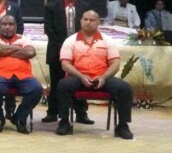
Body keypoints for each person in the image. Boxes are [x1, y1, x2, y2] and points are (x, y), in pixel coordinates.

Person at [55, 10, 134, 139]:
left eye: (92, 20)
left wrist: (103, 77)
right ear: (80, 21)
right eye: (85, 19)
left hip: (102, 78)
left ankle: (123, 126)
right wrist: (81, 76)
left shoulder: (107, 40)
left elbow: (115, 63)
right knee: (63, 85)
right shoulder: (71, 40)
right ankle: (64, 122)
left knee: (124, 88)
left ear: (98, 22)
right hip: (78, 77)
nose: (88, 22)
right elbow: (65, 64)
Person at [42, 0, 94, 125]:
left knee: (80, 81)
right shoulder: (51, 7)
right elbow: (49, 29)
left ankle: (81, 113)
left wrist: (76, 49)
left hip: (80, 53)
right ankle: (52, 112)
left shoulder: (85, 7)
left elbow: (88, 30)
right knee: (56, 82)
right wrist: (65, 49)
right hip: (56, 51)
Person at [0, 15, 42, 134]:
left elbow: (30, 52)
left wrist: (4, 51)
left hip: (23, 75)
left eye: (11, 24)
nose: (7, 27)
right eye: (4, 24)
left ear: (16, 26)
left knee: (36, 89)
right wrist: (18, 49)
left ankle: (19, 118)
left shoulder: (24, 38)